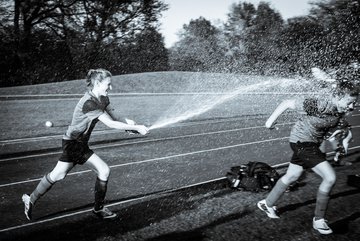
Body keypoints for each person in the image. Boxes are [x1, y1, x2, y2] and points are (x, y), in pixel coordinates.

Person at [22, 68, 149, 220]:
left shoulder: (103, 98)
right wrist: (135, 128)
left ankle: (31, 199)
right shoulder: (89, 103)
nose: (111, 88)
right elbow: (110, 124)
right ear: (97, 83)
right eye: (108, 84)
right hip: (73, 143)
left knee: (61, 174)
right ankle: (98, 209)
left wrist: (130, 124)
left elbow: (116, 117)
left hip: (80, 143)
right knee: (97, 171)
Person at [257, 80, 358, 235]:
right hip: (301, 141)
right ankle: (319, 220)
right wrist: (269, 122)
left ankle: (267, 204)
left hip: (311, 143)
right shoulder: (321, 104)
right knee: (330, 177)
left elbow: (338, 130)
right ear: (338, 97)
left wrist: (340, 144)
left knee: (293, 175)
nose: (352, 107)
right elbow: (287, 103)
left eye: (355, 103)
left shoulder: (340, 111)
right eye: (350, 102)